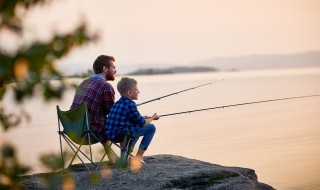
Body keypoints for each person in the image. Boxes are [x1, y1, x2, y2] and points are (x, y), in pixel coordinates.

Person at [70, 55, 117, 161]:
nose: (115, 70)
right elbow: (112, 114)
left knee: (99, 120)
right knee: (121, 122)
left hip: (73, 131)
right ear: (105, 69)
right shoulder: (105, 86)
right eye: (113, 67)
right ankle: (121, 159)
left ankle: (112, 158)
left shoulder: (83, 83)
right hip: (89, 133)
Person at [105, 77, 159, 165]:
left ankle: (125, 157)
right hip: (122, 135)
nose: (139, 92)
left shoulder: (116, 103)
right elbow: (142, 123)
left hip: (110, 135)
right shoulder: (130, 104)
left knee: (134, 127)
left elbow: (127, 117)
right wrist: (153, 117)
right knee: (151, 128)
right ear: (129, 93)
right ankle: (138, 157)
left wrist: (142, 117)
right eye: (137, 90)